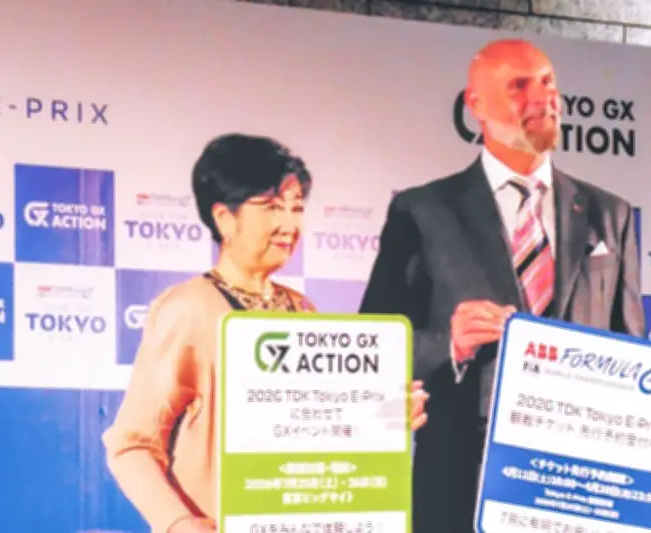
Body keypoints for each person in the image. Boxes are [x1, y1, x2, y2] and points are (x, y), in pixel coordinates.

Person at [358, 39, 651, 533]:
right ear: (477, 105)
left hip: (578, 490)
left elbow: (634, 359)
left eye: (548, 82)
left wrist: (650, 499)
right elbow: (374, 351)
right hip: (458, 489)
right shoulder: (422, 212)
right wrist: (451, 345)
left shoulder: (609, 213)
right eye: (518, 86)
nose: (543, 98)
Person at [103, 134, 430, 533]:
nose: (289, 225)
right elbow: (133, 445)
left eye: (297, 207)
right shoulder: (189, 309)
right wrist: (178, 523)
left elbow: (315, 429)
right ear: (224, 217)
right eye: (273, 207)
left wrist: (380, 418)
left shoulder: (302, 309)